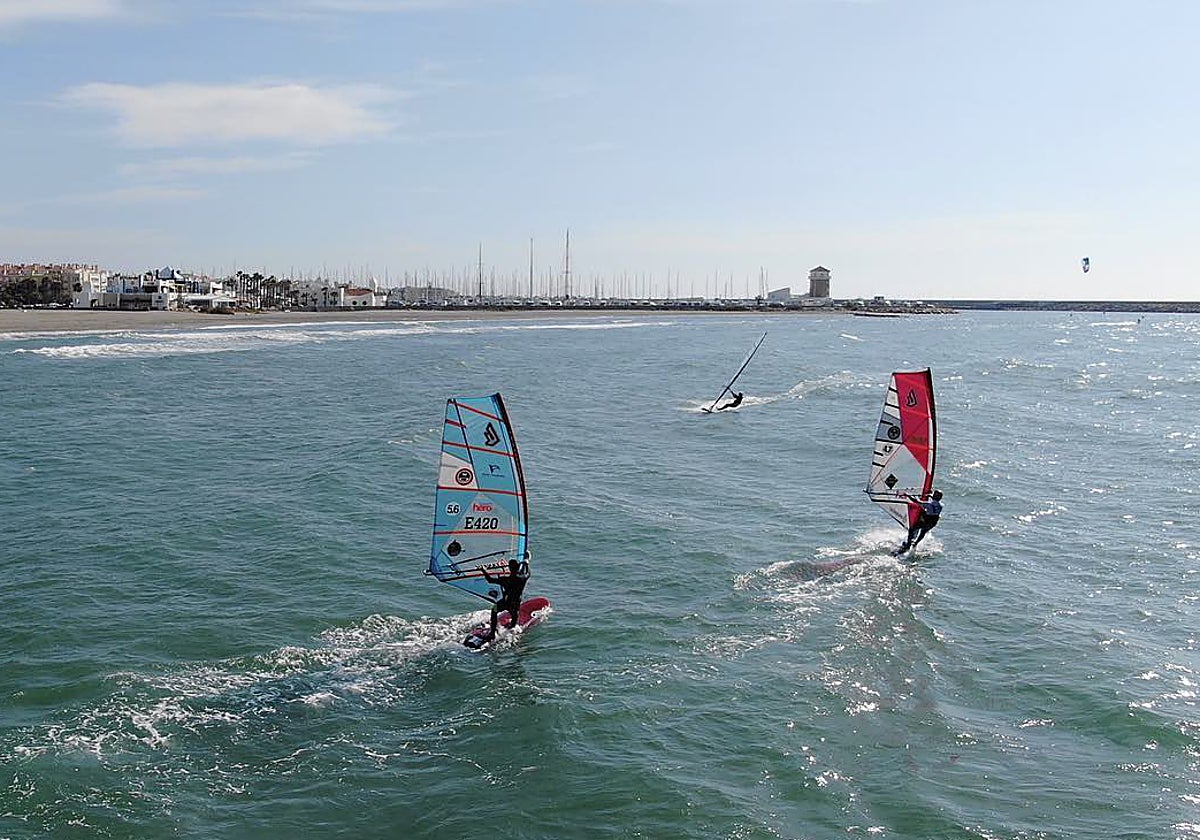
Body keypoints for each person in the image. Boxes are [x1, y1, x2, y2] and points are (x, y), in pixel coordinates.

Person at [481, 556, 530, 639]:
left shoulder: (505, 580)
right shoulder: (523, 578)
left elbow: (490, 580)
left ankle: (492, 633)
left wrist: (484, 570)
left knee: (494, 610)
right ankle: (512, 628)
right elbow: (528, 573)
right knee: (515, 614)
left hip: (505, 602)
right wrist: (526, 562)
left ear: (509, 568)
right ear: (518, 567)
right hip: (515, 604)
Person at [894, 490, 943, 556]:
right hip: (933, 522)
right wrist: (930, 496)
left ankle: (908, 545)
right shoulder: (941, 505)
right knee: (923, 532)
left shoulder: (928, 504)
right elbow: (935, 501)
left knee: (912, 528)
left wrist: (908, 495)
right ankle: (915, 543)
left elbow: (917, 502)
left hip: (926, 521)